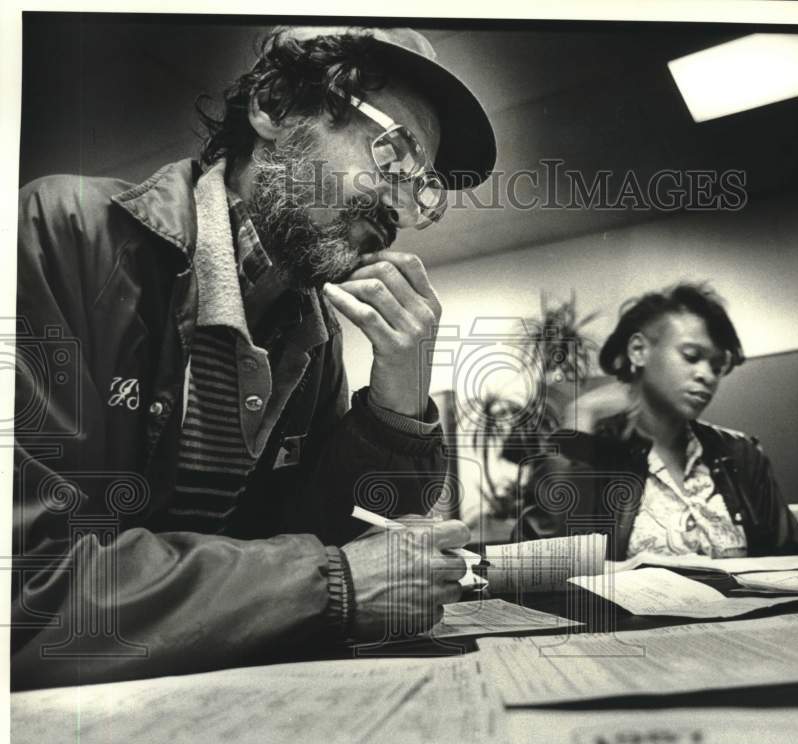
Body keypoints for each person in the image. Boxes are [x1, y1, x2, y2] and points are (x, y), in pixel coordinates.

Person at [12, 26, 496, 689]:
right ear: (272, 106)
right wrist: (333, 585)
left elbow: (338, 541)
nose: (399, 211)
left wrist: (397, 409)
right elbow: (26, 590)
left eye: (422, 188)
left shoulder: (312, 335)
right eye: (394, 154)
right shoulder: (56, 233)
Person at [515, 283, 798, 559]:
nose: (707, 375)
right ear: (638, 350)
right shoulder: (594, 453)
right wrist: (581, 417)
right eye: (691, 355)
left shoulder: (742, 454)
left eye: (717, 365)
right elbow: (544, 567)